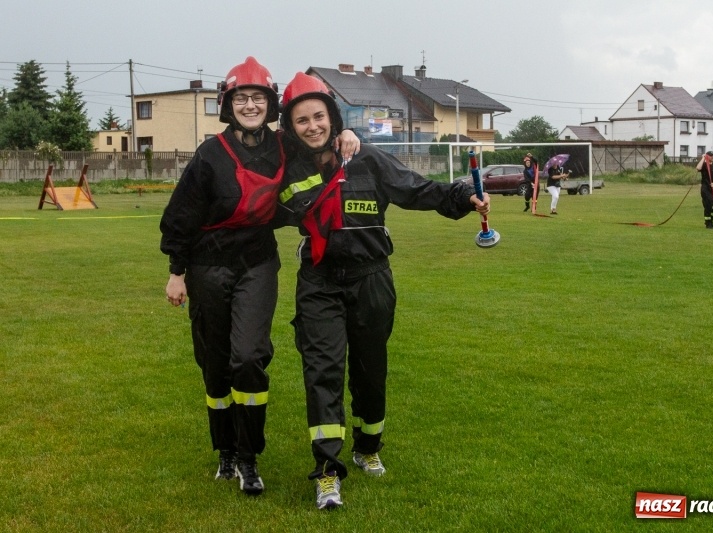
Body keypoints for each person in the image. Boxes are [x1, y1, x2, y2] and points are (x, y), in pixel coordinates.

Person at [277, 72, 491, 510]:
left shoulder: (369, 159)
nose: (313, 126)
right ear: (291, 128)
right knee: (323, 373)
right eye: (302, 120)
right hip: (318, 282)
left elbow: (418, 190)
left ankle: (368, 446)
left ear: (333, 118)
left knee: (371, 370)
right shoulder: (285, 170)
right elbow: (247, 200)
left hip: (372, 278)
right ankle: (326, 471)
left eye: (319, 116)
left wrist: (464, 196)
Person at [159, 57, 359, 496]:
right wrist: (177, 272)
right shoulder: (210, 155)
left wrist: (347, 133)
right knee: (215, 364)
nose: (250, 105)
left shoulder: (285, 145)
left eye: (259, 98)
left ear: (271, 105)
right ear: (228, 105)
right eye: (242, 98)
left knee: (248, 357)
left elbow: (320, 143)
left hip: (256, 263)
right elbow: (179, 216)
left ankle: (249, 458)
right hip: (206, 265)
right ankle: (225, 451)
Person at [696, 150, 713, 229]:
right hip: (705, 188)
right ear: (707, 156)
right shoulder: (704, 165)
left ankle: (710, 220)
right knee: (708, 204)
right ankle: (708, 223)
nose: (712, 157)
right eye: (711, 155)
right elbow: (698, 168)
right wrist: (703, 158)